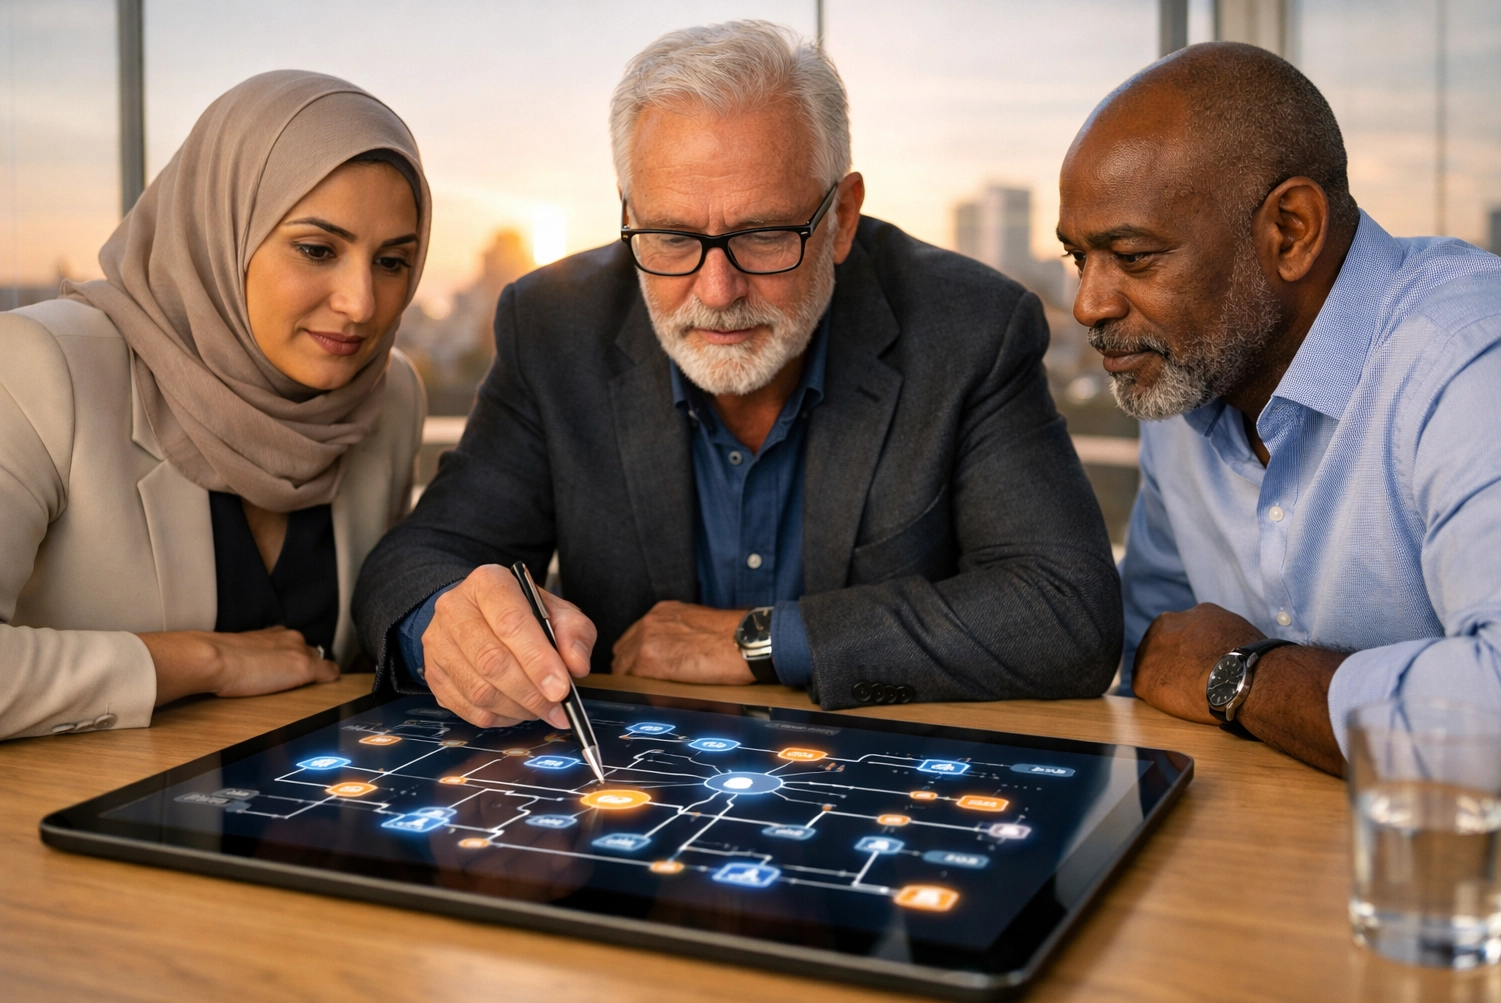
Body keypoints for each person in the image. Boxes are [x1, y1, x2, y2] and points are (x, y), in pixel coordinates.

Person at [355, 21, 1121, 729]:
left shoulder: (969, 327)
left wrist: (765, 641)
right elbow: (415, 563)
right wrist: (450, 623)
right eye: (671, 235)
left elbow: (1067, 614)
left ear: (842, 217)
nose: (717, 293)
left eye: (762, 236)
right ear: (630, 212)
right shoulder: (554, 326)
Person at [1056, 43, 1501, 813]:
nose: (1089, 305)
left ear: (1291, 229)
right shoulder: (1184, 377)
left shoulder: (1479, 359)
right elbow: (1157, 656)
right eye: (1078, 257)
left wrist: (1246, 676)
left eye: (1134, 257)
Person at [0, 71, 429, 740]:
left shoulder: (389, 393)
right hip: (73, 820)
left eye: (392, 262)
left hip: (314, 818)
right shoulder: (39, 365)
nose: (361, 303)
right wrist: (200, 661)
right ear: (219, 227)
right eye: (317, 250)